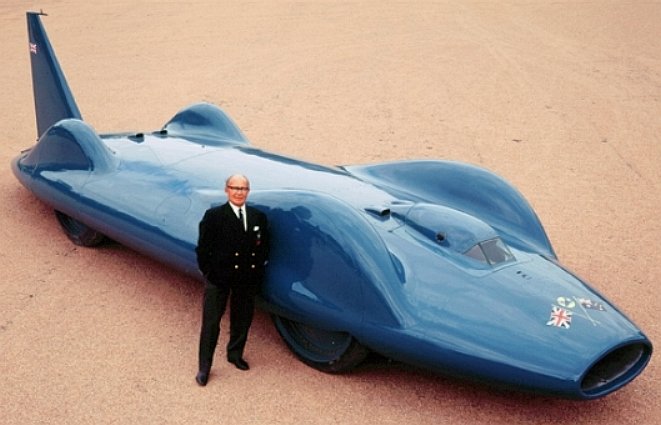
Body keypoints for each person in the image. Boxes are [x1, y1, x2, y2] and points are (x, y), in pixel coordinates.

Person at [195, 174, 269, 386]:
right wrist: (208, 273)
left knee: (242, 319)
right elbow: (203, 249)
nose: (239, 192)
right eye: (234, 187)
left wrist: (257, 272)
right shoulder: (214, 216)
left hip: (246, 278)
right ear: (226, 190)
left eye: (243, 188)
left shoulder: (257, 217)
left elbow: (263, 247)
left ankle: (235, 355)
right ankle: (204, 367)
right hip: (219, 277)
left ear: (248, 192)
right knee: (211, 323)